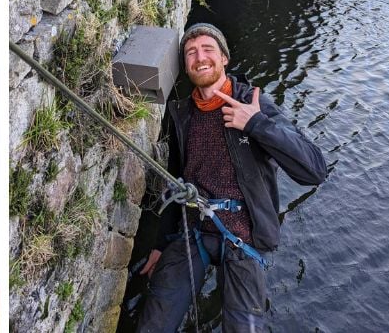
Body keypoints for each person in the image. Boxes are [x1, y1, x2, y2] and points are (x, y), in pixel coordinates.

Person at [137, 23, 326, 333]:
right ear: (185, 65)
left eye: (208, 49)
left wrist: (256, 124)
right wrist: (160, 243)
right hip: (194, 230)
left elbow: (315, 170)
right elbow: (176, 182)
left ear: (224, 58)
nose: (200, 58)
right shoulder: (182, 114)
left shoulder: (253, 104)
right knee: (155, 321)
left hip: (242, 237)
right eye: (191, 53)